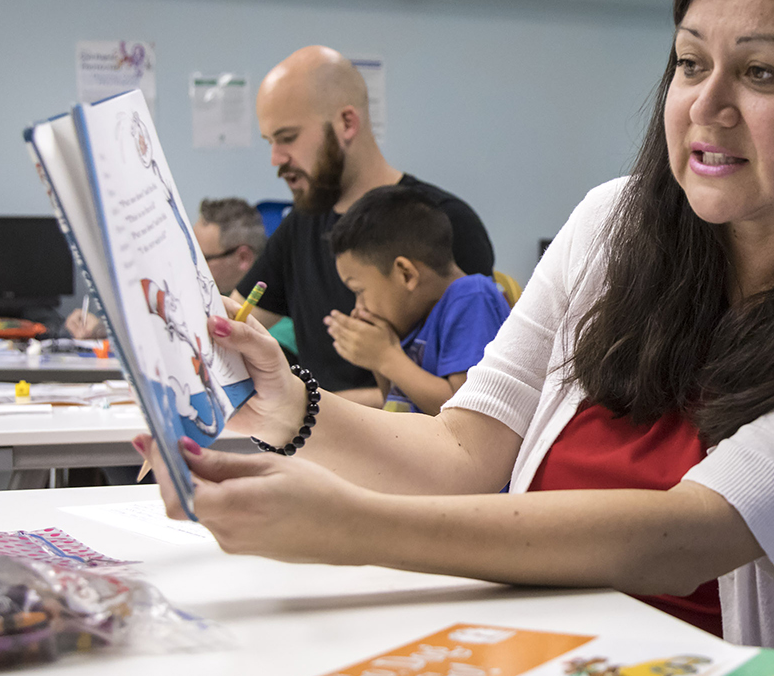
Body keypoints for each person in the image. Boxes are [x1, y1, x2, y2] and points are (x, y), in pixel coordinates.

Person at [140, 0, 774, 676]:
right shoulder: (614, 224)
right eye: (691, 64)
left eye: (762, 73)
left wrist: (348, 528)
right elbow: (468, 449)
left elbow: (694, 530)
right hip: (538, 652)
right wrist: (289, 404)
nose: (707, 105)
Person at [233, 46, 495, 408]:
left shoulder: (440, 223)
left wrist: (318, 406)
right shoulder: (301, 224)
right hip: (319, 431)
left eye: (288, 137)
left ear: (347, 123)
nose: (276, 159)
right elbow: (238, 317)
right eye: (270, 142)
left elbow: (471, 396)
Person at [324, 185, 510, 415]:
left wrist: (386, 358)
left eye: (359, 291)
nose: (358, 307)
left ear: (406, 274)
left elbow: (466, 412)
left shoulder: (472, 297)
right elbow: (397, 407)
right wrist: (378, 361)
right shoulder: (416, 322)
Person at [65, 197, 269, 339]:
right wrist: (100, 329)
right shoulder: (204, 296)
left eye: (202, 258)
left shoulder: (275, 315)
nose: (192, 268)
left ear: (243, 258)